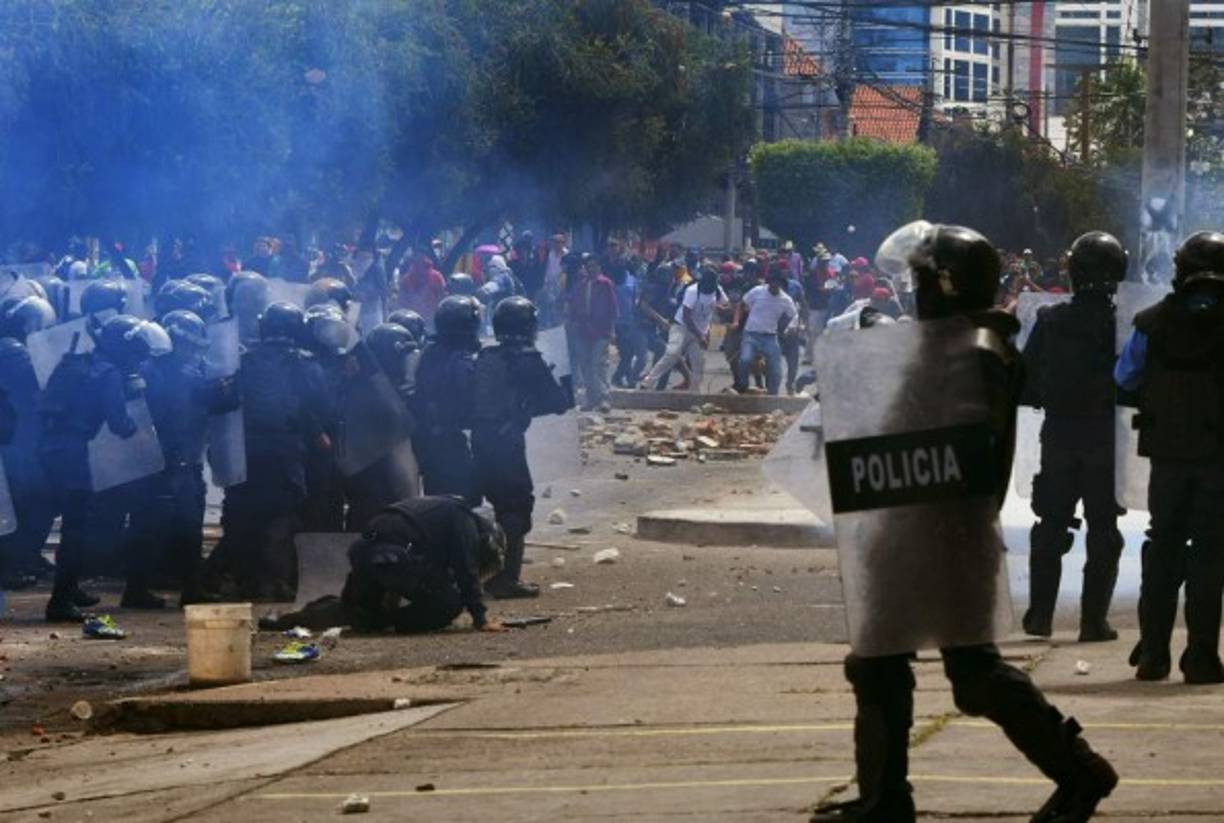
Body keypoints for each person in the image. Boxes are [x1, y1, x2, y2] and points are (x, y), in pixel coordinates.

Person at [811, 224, 1117, 823]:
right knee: (881, 662)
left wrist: (886, 364)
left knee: (968, 677)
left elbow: (929, 430)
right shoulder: (961, 343)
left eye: (922, 281)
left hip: (945, 533)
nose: (913, 291)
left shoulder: (975, 351)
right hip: (920, 527)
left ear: (946, 286)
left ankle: (1080, 771)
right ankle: (885, 798)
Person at [1115, 230, 1224, 683]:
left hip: (1166, 457)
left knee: (1163, 550)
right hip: (1218, 457)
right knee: (1210, 555)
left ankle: (1153, 655)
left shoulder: (1150, 322)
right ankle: (1201, 658)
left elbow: (1124, 378)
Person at [1021, 231, 1126, 643]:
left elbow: (1026, 382)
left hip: (1059, 433)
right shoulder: (1122, 324)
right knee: (1104, 528)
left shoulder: (1050, 320)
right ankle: (1092, 622)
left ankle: (1040, 616)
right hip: (1103, 436)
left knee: (1050, 523)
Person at [39, 315, 166, 620]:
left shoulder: (74, 362)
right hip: (72, 453)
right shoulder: (107, 374)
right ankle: (60, 602)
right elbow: (119, 425)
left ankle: (70, 590)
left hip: (48, 448)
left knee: (68, 523)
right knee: (75, 530)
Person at [205, 302, 331, 601]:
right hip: (284, 452)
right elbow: (320, 405)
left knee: (241, 514)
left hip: (243, 451)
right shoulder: (305, 364)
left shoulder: (241, 360)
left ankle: (234, 579)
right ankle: (273, 582)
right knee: (280, 516)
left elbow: (222, 400)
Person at [262, 496, 507, 634]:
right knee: (451, 602)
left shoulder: (439, 512)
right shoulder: (463, 521)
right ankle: (388, 621)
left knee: (355, 612)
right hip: (392, 558)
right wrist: (481, 617)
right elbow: (466, 570)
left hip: (366, 552)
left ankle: (287, 621)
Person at [136, 310, 239, 605]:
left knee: (148, 526)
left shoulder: (149, 369)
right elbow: (220, 402)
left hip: (154, 460)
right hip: (178, 461)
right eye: (191, 346)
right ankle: (191, 589)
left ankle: (138, 587)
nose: (194, 352)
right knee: (188, 527)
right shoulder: (184, 375)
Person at [472, 297, 570, 599]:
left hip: (480, 440)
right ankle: (504, 579)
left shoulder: (486, 355)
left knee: (497, 505)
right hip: (506, 442)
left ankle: (487, 572)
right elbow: (557, 401)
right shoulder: (528, 359)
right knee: (515, 507)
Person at [412, 295, 481, 505]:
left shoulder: (429, 353)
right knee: (464, 503)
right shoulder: (461, 362)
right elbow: (469, 405)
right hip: (451, 444)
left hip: (428, 443)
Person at [639, 264, 727, 393]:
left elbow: (725, 305)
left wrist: (722, 310)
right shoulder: (692, 291)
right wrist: (700, 335)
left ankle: (695, 391)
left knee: (698, 361)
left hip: (700, 330)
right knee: (672, 353)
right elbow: (687, 316)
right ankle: (648, 382)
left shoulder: (717, 290)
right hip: (682, 327)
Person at [565, 255, 617, 410]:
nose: (592, 269)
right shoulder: (581, 286)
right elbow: (573, 306)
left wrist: (613, 330)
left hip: (601, 331)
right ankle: (591, 399)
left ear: (599, 268)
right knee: (585, 366)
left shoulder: (606, 284)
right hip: (582, 331)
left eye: (594, 266)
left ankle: (604, 399)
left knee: (599, 364)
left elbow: (613, 309)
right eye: (589, 266)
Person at [738, 268, 796, 396]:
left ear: (781, 284)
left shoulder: (785, 300)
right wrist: (737, 322)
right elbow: (742, 303)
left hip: (770, 337)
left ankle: (773, 395)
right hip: (751, 334)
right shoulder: (757, 291)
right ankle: (742, 385)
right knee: (745, 360)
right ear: (769, 282)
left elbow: (793, 315)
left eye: (777, 283)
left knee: (775, 368)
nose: (774, 285)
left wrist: (790, 328)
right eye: (772, 282)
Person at [397, 251, 448, 330]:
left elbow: (443, 298)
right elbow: (401, 303)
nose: (422, 269)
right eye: (419, 265)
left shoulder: (437, 277)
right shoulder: (406, 280)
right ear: (414, 266)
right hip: (413, 321)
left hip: (433, 320)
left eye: (426, 265)